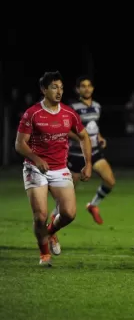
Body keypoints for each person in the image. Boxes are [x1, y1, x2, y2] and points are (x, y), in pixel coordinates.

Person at [15, 71, 92, 266]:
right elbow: (19, 144)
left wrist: (88, 163)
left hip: (59, 169)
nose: (59, 91)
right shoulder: (32, 114)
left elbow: (84, 137)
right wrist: (35, 158)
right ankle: (44, 255)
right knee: (39, 215)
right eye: (54, 87)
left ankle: (50, 233)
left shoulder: (68, 113)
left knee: (69, 214)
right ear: (43, 90)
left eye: (61, 87)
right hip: (35, 168)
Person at [50, 75, 115, 225]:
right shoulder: (72, 108)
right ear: (77, 89)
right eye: (83, 86)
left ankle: (92, 205)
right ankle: (54, 216)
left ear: (92, 88)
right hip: (77, 154)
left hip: (95, 152)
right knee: (68, 193)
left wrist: (100, 137)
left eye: (89, 86)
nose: (86, 88)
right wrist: (80, 138)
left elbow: (93, 126)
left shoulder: (97, 106)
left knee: (110, 181)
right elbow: (64, 129)